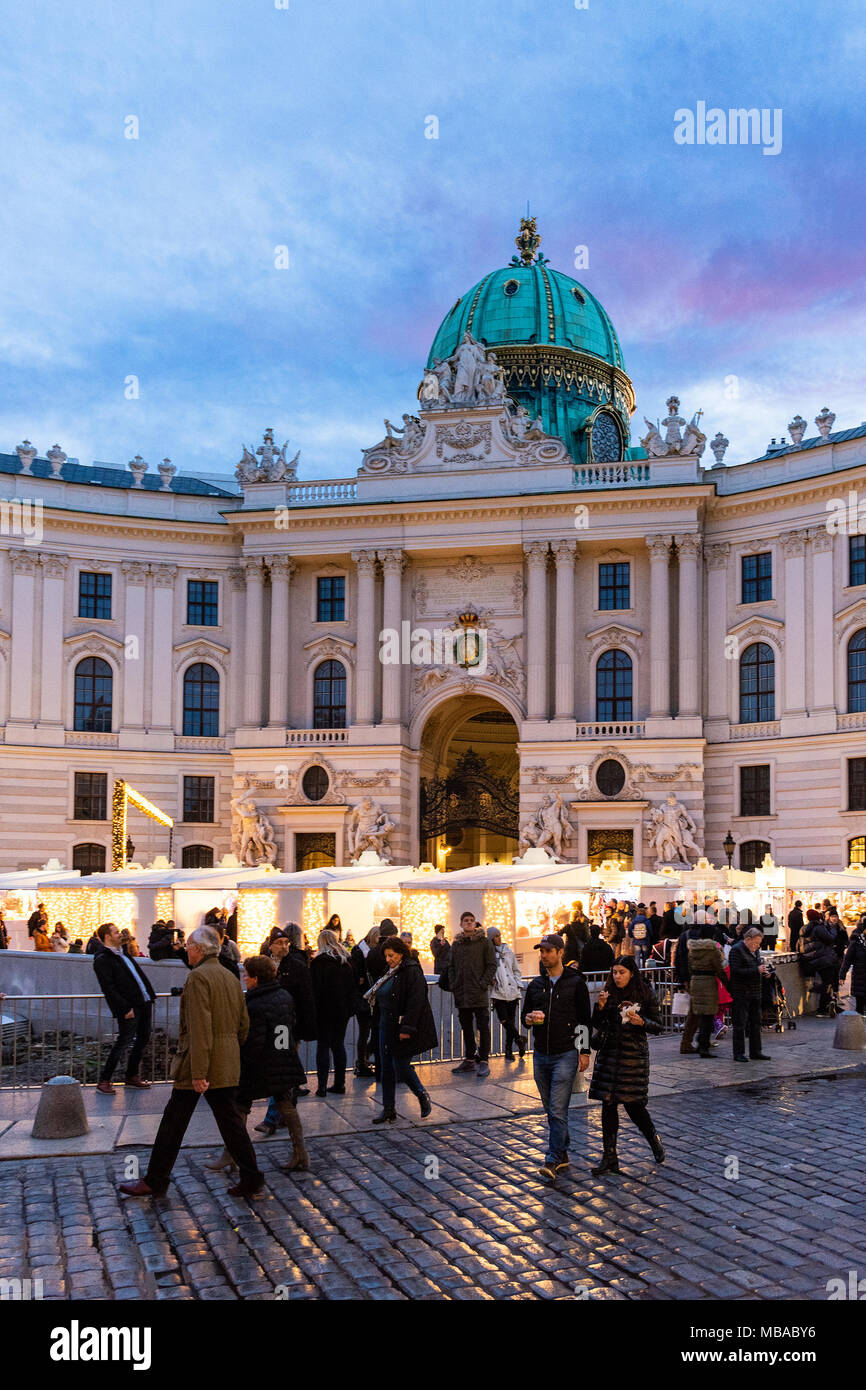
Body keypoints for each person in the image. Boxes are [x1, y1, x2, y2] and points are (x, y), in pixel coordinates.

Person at [119, 926, 263, 1200]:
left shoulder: (198, 978)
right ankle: (251, 1176)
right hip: (225, 1060)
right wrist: (229, 1050)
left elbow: (199, 1027)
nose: (186, 949)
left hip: (199, 1063)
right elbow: (244, 1025)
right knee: (230, 1124)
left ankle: (156, 1179)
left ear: (199, 949)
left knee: (174, 1123)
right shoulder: (230, 976)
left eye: (188, 945)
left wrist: (199, 1072)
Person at [206, 954, 309, 1174]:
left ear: (255, 978)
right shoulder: (283, 995)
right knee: (286, 1106)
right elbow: (285, 1030)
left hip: (262, 1065)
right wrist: (283, 1052)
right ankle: (300, 1153)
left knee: (240, 1106)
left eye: (246, 974)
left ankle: (231, 1154)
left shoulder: (255, 1003)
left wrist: (242, 1062)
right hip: (283, 1059)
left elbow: (254, 1040)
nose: (244, 978)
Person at [522, 932, 591, 1183]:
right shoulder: (536, 985)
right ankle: (562, 1150)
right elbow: (525, 1016)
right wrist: (528, 1020)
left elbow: (585, 1019)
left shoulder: (575, 983)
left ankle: (552, 1157)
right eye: (541, 951)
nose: (544, 955)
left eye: (549, 951)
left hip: (566, 1052)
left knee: (558, 1108)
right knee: (550, 1108)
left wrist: (584, 1051)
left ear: (561, 953)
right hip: (541, 1053)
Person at [588, 955, 665, 1175]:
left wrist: (642, 1022)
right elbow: (598, 1024)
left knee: (634, 1106)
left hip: (633, 1056)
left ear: (631, 972)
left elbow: (658, 1025)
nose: (617, 976)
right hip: (609, 1055)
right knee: (608, 1104)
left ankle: (653, 1139)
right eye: (614, 972)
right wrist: (600, 1007)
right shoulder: (608, 993)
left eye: (622, 972)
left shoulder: (644, 993)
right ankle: (609, 1157)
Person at [255, 926, 316, 1134]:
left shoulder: (296, 966)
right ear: (270, 944)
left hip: (286, 1027)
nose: (284, 946)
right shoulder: (264, 964)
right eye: (280, 943)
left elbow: (307, 998)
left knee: (278, 1069)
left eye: (286, 943)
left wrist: (305, 1028)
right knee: (282, 1072)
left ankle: (273, 1117)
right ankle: (286, 1113)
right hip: (267, 1025)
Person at [368, 937, 435, 1124]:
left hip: (401, 1026)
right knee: (386, 1069)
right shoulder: (389, 972)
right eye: (386, 956)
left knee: (401, 1065)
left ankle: (421, 1094)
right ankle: (388, 1109)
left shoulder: (411, 971)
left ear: (400, 954)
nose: (388, 959)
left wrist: (407, 1027)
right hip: (384, 1026)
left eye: (391, 955)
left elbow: (416, 1001)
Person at [92, 921, 156, 1094]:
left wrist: (149, 996)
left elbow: (135, 977)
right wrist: (124, 1008)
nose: (120, 934)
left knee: (142, 1039)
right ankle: (105, 1080)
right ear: (107, 936)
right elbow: (109, 987)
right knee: (123, 1042)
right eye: (116, 932)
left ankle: (132, 1075)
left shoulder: (123, 954)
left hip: (143, 1002)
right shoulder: (103, 959)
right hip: (130, 1007)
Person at [450, 911, 497, 1079]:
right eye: (466, 920)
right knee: (467, 1027)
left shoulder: (484, 942)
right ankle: (470, 1059)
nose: (469, 923)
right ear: (461, 923)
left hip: (478, 993)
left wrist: (482, 983)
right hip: (462, 993)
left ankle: (484, 1060)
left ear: (475, 923)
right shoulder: (456, 944)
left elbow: (492, 965)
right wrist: (454, 984)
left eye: (471, 920)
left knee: (483, 1027)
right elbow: (451, 966)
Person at [310, 928, 356, 1097]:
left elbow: (315, 990)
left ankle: (321, 1085)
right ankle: (340, 1083)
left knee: (323, 1046)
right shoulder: (345, 962)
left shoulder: (318, 963)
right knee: (338, 1045)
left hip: (324, 1010)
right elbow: (352, 988)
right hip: (341, 1010)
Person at [683, 911, 728, 1058]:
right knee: (708, 1016)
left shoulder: (692, 950)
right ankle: (703, 1046)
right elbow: (719, 969)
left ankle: (697, 1041)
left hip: (695, 982)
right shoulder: (713, 950)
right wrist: (728, 985)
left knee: (698, 1014)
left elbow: (689, 967)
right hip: (708, 983)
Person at [728, 927, 772, 1062]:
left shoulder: (756, 951)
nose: (757, 946)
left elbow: (757, 966)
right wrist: (756, 970)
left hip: (755, 992)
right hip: (741, 992)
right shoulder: (736, 950)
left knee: (756, 1023)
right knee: (740, 1023)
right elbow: (736, 971)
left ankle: (756, 1051)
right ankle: (739, 1053)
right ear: (748, 939)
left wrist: (765, 973)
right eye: (756, 943)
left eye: (759, 944)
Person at [487, 926, 526, 1061]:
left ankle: (509, 1050)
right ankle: (519, 1039)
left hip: (512, 991)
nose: (499, 938)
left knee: (511, 1021)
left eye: (499, 935)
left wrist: (518, 984)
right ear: (491, 939)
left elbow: (516, 969)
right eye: (495, 936)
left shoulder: (508, 951)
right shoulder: (489, 953)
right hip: (498, 993)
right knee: (504, 1020)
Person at [350, 926, 378, 1078]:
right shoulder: (362, 952)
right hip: (364, 999)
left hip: (368, 997)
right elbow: (359, 977)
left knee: (370, 1032)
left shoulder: (362, 950)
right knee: (365, 1032)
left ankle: (363, 1060)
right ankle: (362, 1062)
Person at [801, 911, 842, 1015]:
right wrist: (833, 930)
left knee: (826, 982)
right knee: (828, 982)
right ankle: (823, 1007)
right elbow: (830, 939)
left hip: (813, 960)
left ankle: (828, 1004)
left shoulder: (804, 928)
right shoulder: (819, 927)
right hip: (823, 959)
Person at [841, 918, 866, 1014]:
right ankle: (858, 1027)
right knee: (860, 1007)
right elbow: (847, 960)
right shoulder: (856, 943)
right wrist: (842, 975)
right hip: (860, 978)